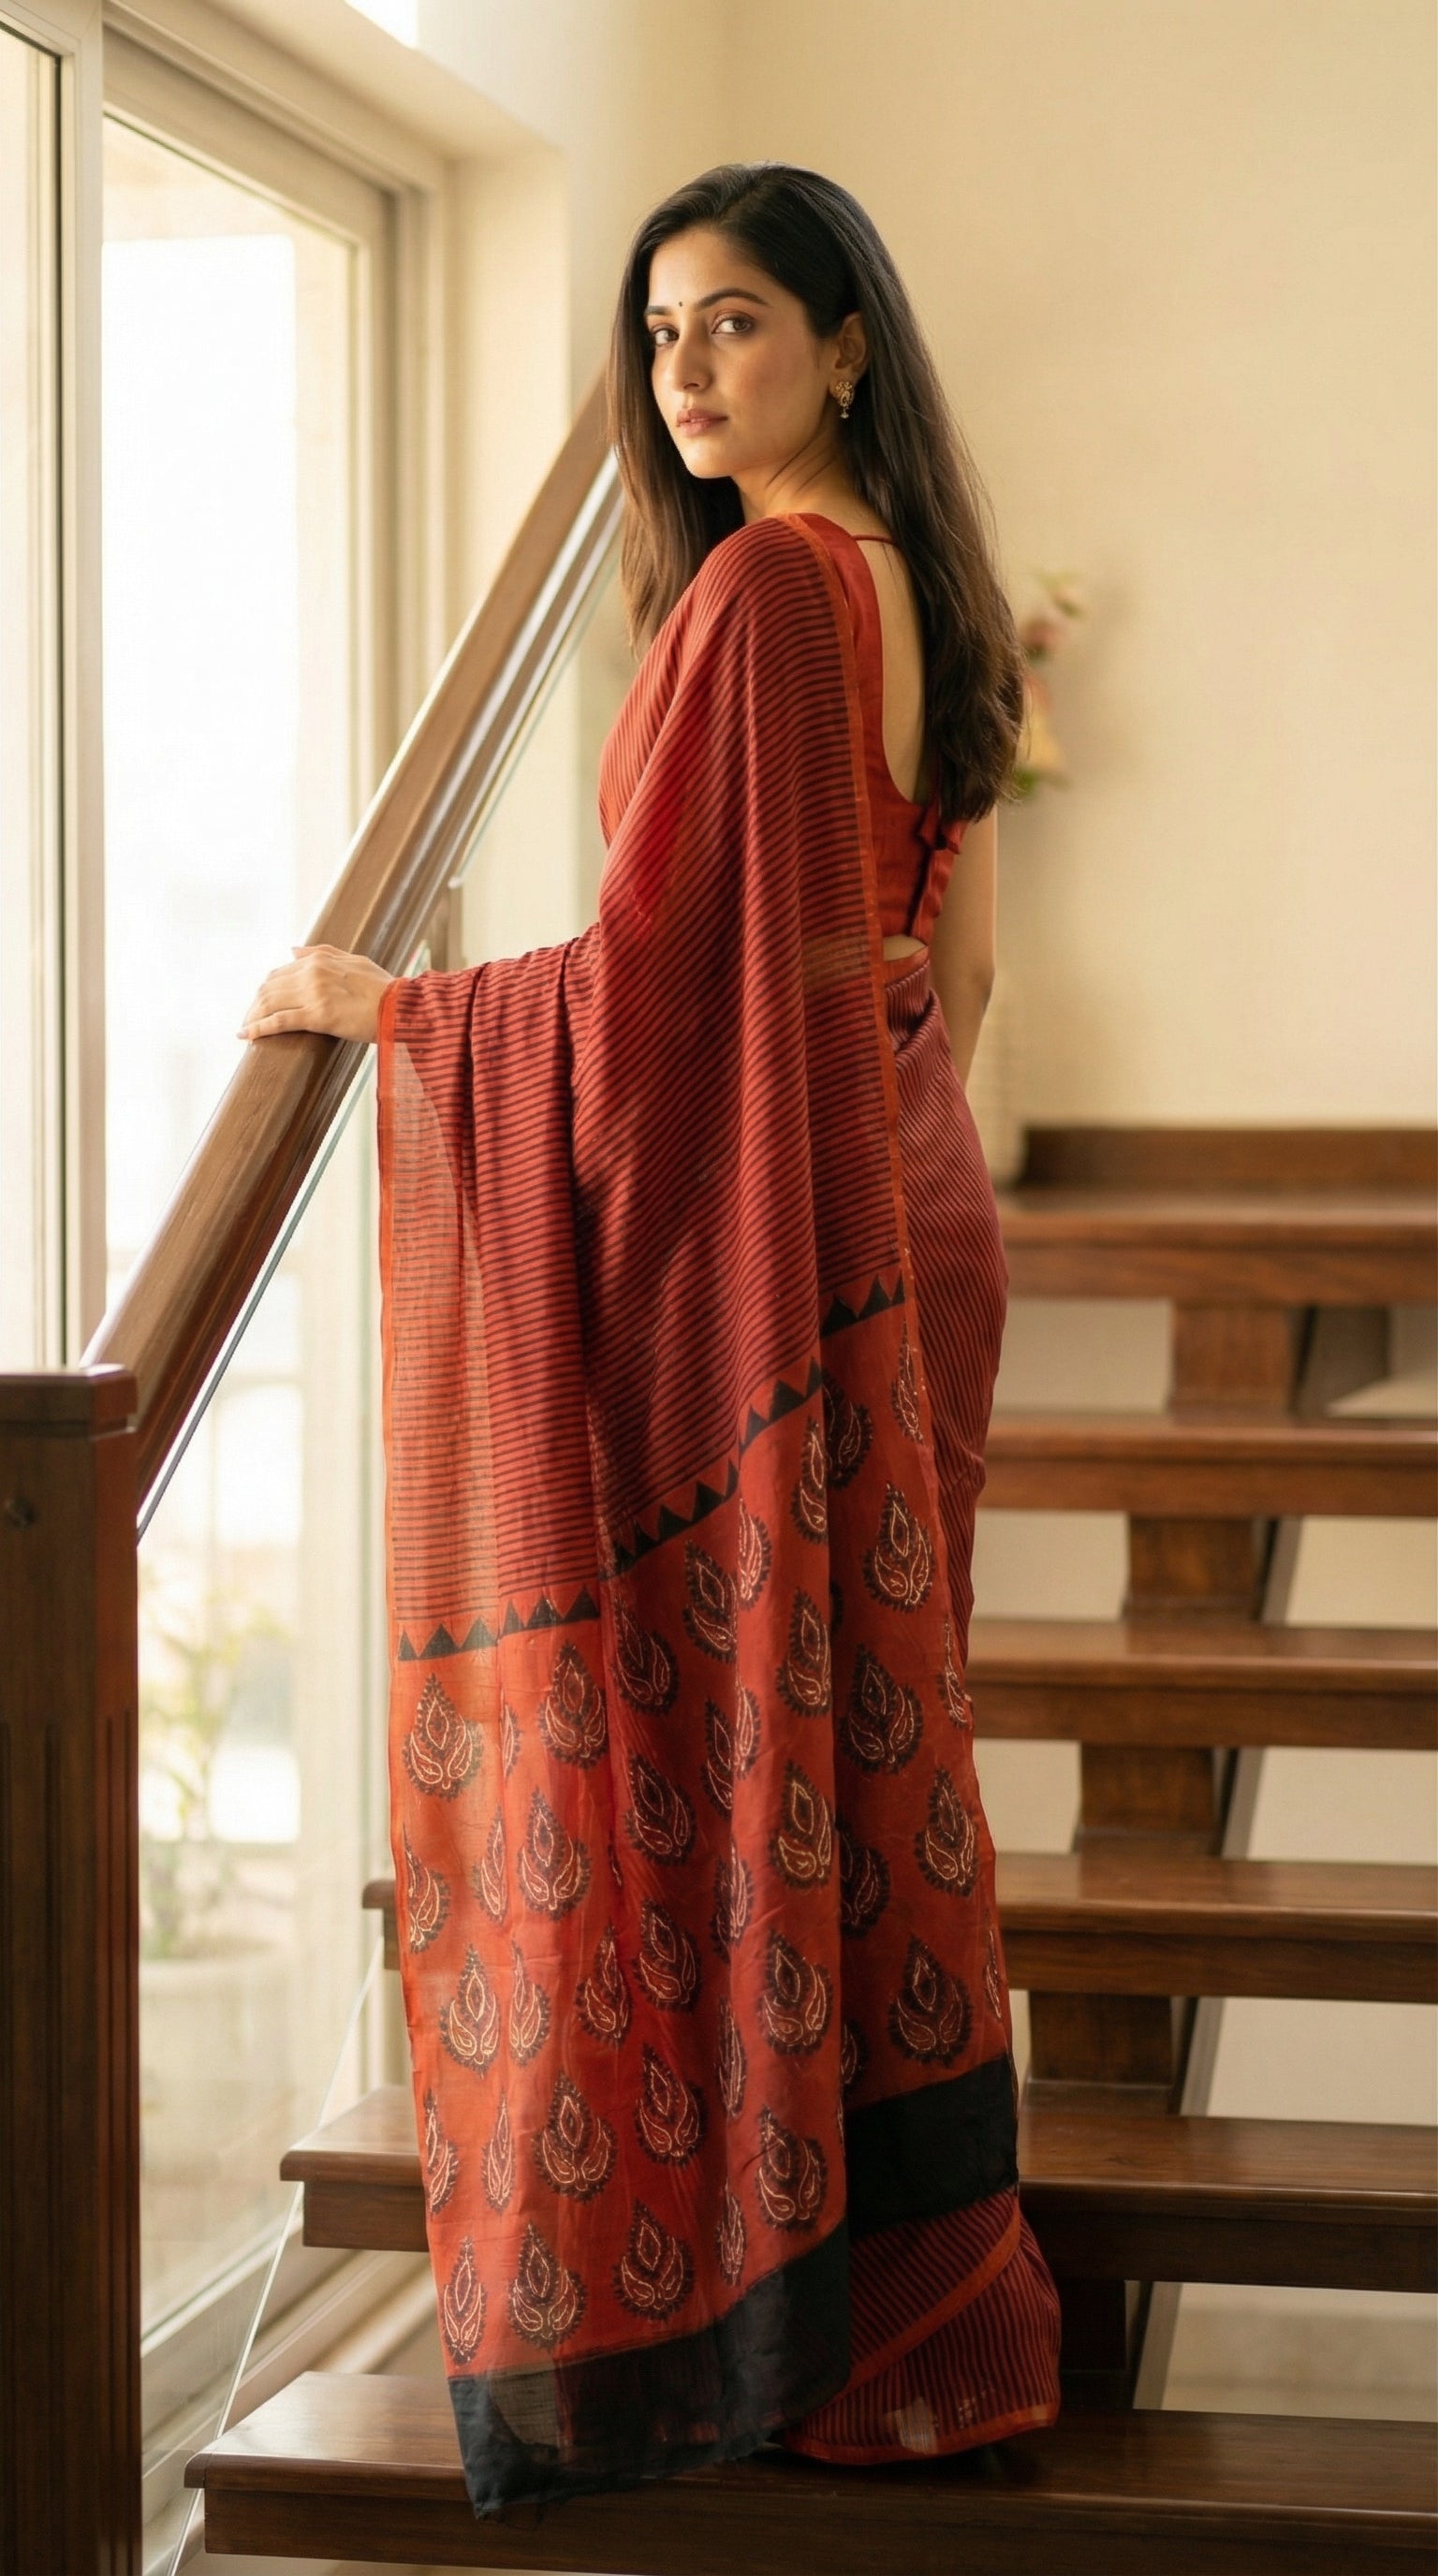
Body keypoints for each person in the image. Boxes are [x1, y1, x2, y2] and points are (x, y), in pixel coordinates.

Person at [240, 161, 1062, 2520]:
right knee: (865, 1752)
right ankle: (905, 2305)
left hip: (813, 1238)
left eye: (738, 323)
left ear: (845, 345)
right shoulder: (927, 590)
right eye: (664, 332)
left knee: (767, 1750)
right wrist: (860, 1148)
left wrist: (399, 1015)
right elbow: (946, 971)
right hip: (910, 1194)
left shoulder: (770, 594)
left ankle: (806, 2313)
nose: (690, 370)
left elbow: (660, 978)